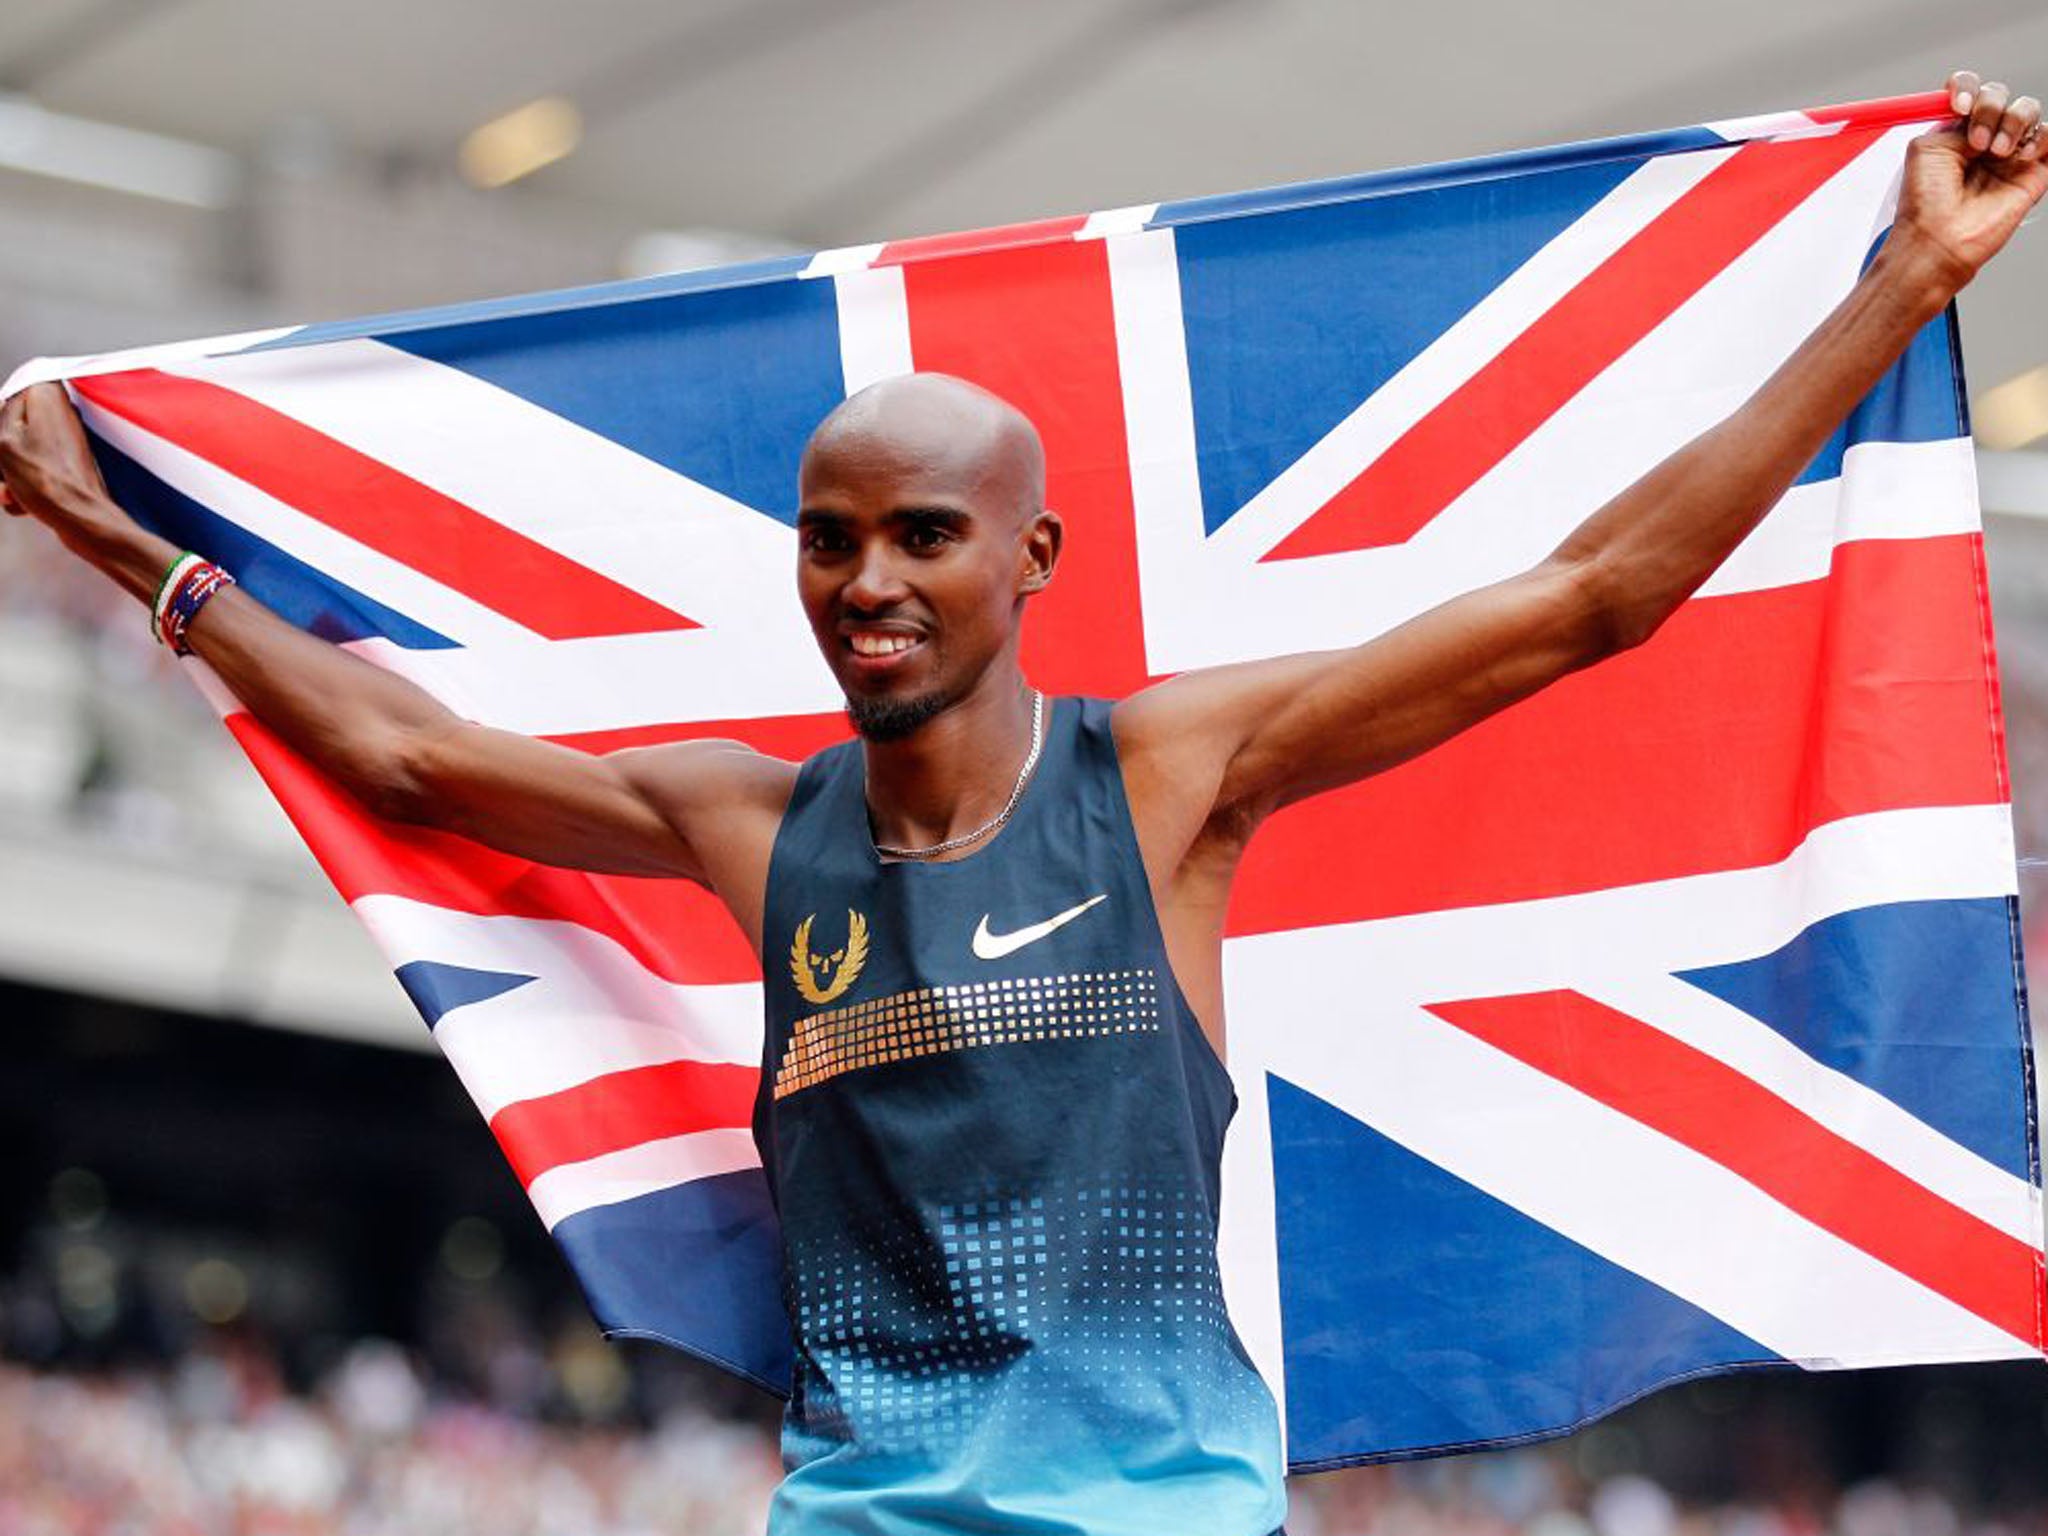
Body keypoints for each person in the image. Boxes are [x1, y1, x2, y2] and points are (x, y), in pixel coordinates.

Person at [2, 70, 2042, 1536]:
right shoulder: (749, 826)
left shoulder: (1167, 782)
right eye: (825, 540)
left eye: (917, 536)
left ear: (1032, 556)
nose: (865, 582)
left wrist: (1891, 293)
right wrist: (136, 556)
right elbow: (402, 758)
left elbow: (1589, 600)